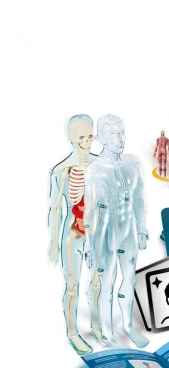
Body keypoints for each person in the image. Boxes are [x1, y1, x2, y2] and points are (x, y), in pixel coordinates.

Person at [84, 114, 149, 349]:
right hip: (105, 232)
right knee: (107, 280)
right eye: (113, 134)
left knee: (129, 278)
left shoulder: (133, 163)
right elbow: (90, 210)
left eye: (121, 133)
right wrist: (90, 244)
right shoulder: (94, 170)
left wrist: (142, 228)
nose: (120, 139)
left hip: (128, 229)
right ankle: (108, 332)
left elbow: (140, 198)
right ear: (101, 137)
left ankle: (128, 326)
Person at [48, 114, 103, 355]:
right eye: (82, 138)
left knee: (97, 282)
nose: (87, 142)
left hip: (96, 231)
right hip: (73, 232)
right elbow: (55, 208)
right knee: (72, 285)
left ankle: (97, 327)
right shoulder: (61, 170)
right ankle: (72, 332)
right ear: (71, 139)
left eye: (90, 136)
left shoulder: (100, 164)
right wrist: (52, 242)